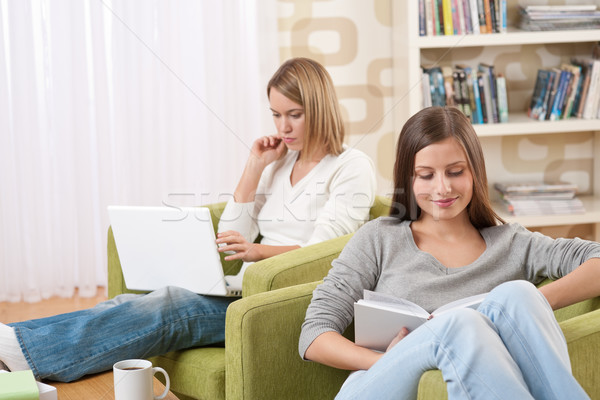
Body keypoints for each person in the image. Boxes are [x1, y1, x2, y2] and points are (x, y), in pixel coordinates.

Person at [0, 57, 377, 382]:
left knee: (169, 306)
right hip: (241, 288)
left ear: (321, 108)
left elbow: (326, 253)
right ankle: (14, 344)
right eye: (276, 115)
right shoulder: (281, 162)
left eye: (294, 115)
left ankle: (23, 354)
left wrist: (259, 253)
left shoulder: (350, 167)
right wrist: (254, 167)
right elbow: (233, 236)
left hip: (277, 300)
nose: (283, 128)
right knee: (125, 303)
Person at [299, 106, 600, 400]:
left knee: (517, 294)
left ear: (474, 173)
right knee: (462, 322)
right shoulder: (380, 237)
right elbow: (314, 335)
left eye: (455, 172)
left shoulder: (511, 244)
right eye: (426, 175)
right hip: (376, 383)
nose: (442, 188)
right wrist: (387, 359)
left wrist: (521, 306)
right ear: (409, 178)